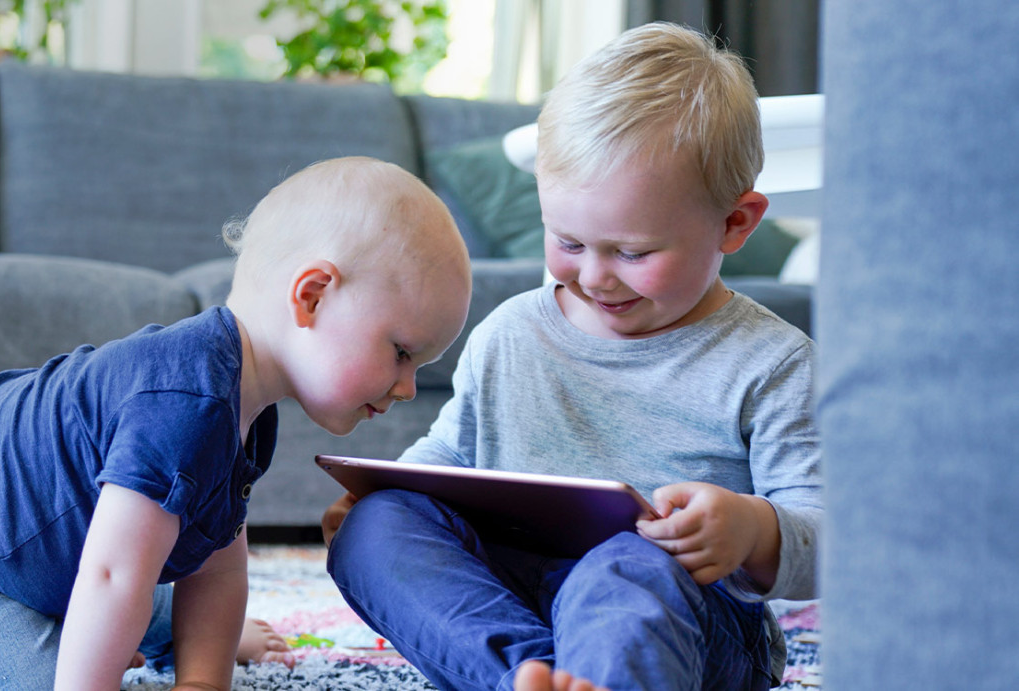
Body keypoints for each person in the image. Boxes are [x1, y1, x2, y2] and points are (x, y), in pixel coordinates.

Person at [0, 156, 474, 690]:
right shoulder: (184, 401)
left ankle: (91, 617)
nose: (409, 386)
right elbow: (111, 577)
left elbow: (217, 568)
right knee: (65, 657)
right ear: (310, 296)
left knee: (139, 582)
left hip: (47, 550)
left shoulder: (247, 411)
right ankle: (64, 621)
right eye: (402, 352)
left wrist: (203, 680)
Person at [323, 22, 821, 691]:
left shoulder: (773, 363)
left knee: (626, 564)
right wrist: (379, 496)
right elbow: (445, 462)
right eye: (568, 240)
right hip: (514, 607)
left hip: (689, 621)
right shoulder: (510, 332)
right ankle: (524, 677)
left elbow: (829, 533)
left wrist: (753, 529)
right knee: (375, 528)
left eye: (633, 252)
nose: (595, 276)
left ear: (736, 222)